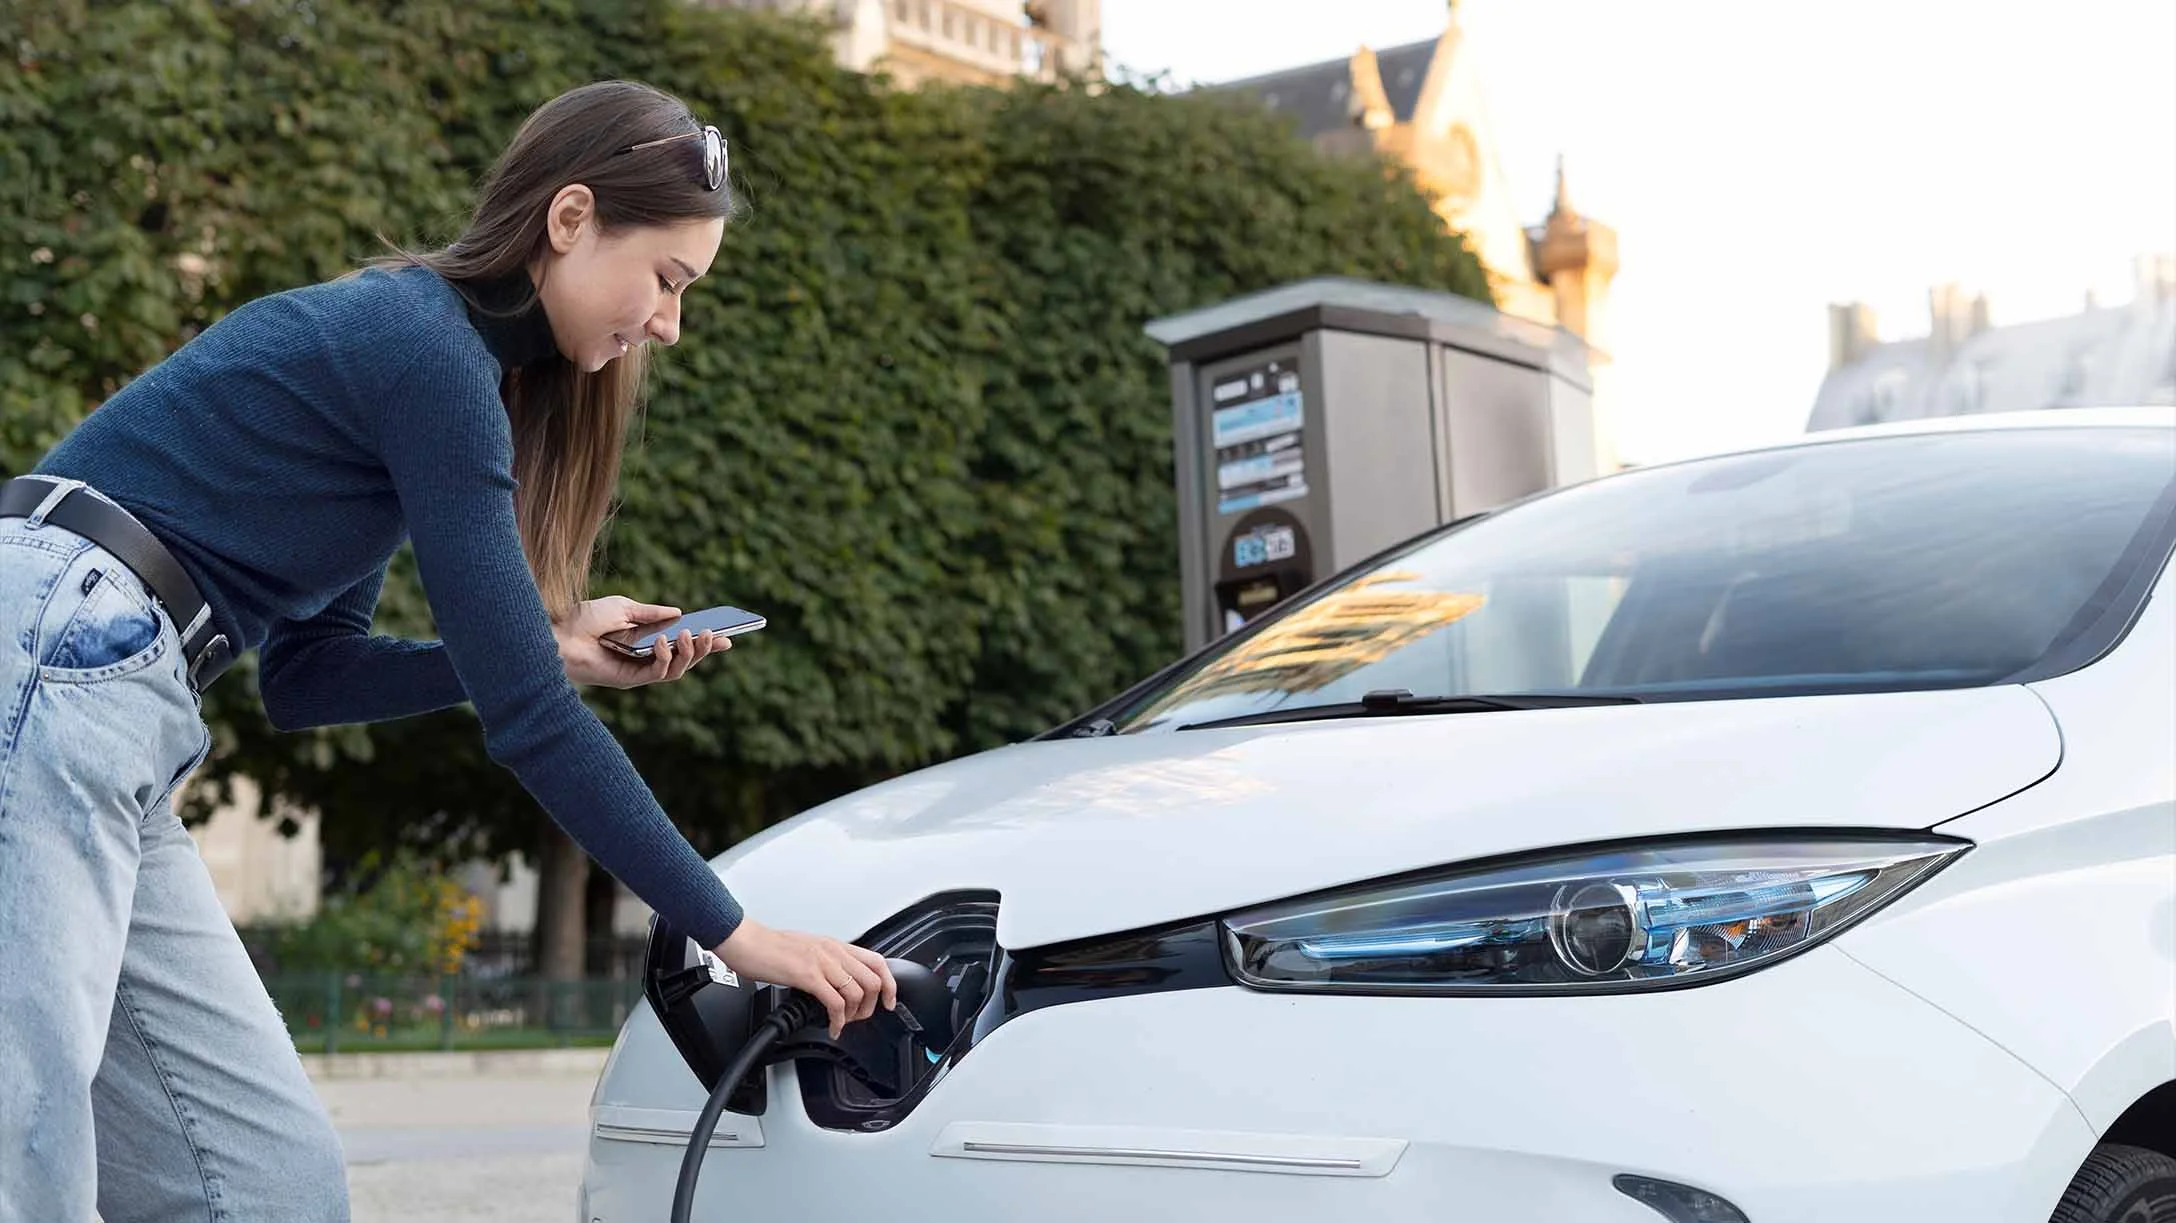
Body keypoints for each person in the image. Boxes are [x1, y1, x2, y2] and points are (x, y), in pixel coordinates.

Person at [0, 79, 896, 1222]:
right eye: (667, 280)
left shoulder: (423, 368)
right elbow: (527, 722)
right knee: (25, 1157)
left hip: (115, 697)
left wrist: (551, 647)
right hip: (48, 650)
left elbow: (307, 678)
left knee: (268, 1182)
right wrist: (736, 930)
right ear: (569, 220)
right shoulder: (421, 346)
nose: (667, 324)